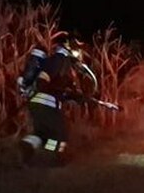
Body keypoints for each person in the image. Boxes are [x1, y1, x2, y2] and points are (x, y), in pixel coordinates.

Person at [17, 35, 94, 165]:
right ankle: (53, 159)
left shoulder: (59, 62)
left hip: (37, 103)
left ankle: (28, 144)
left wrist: (78, 97)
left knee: (42, 133)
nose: (79, 54)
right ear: (69, 47)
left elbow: (60, 90)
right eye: (78, 50)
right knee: (60, 135)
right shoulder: (60, 59)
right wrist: (45, 86)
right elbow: (44, 79)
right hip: (47, 103)